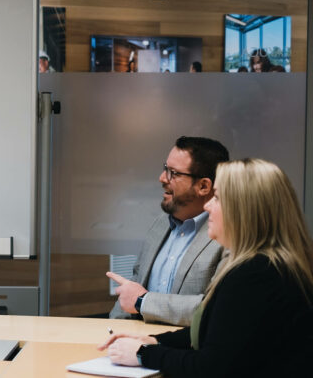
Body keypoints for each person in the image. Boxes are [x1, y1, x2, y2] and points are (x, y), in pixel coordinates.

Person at [100, 158, 313, 377]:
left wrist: (143, 354)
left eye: (217, 198)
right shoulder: (271, 264)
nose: (207, 205)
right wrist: (155, 340)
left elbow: (211, 367)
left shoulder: (256, 273)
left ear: (244, 210)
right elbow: (218, 332)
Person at [108, 136, 229, 326]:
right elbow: (132, 288)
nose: (162, 178)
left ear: (203, 186)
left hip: (187, 351)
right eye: (165, 169)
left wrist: (143, 302)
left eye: (173, 173)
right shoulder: (160, 225)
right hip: (137, 348)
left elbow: (215, 308)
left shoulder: (227, 235)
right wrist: (112, 332)